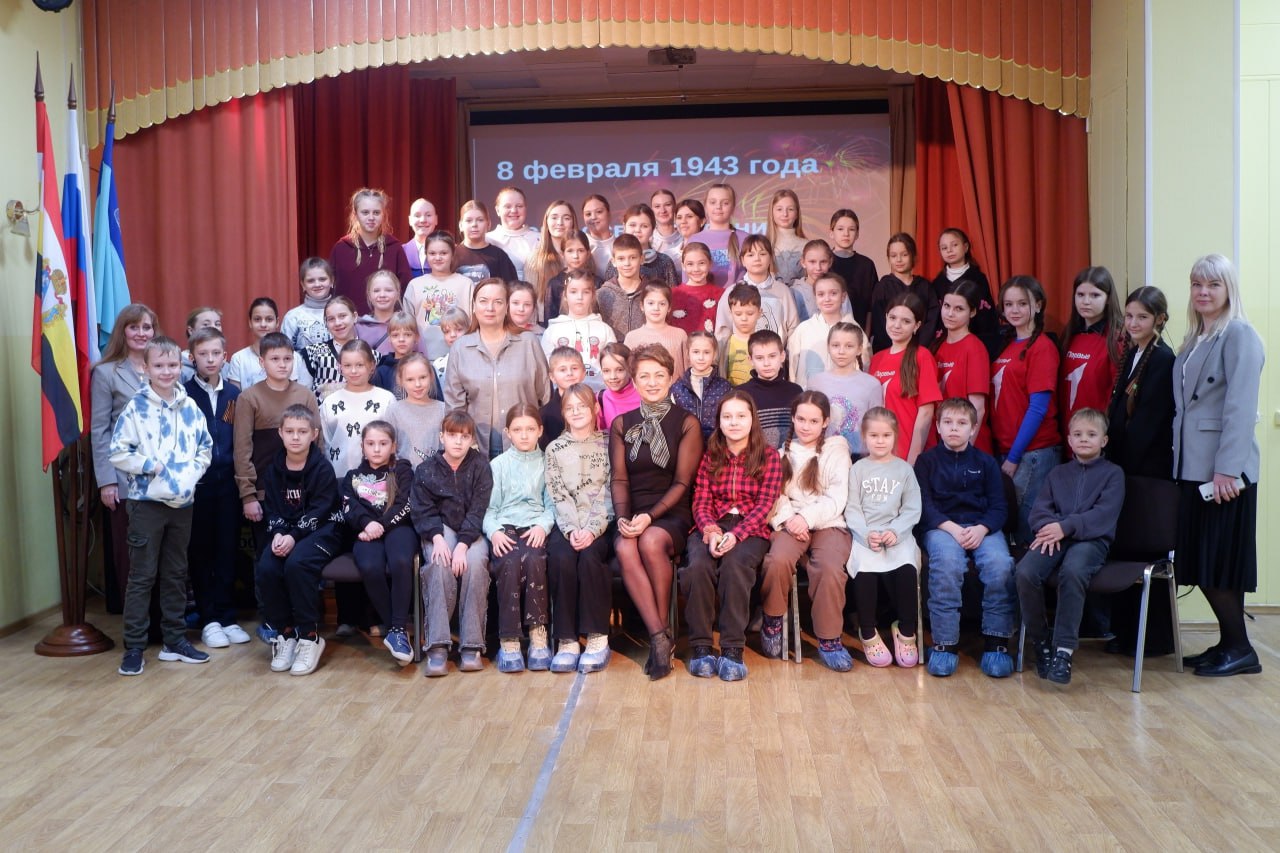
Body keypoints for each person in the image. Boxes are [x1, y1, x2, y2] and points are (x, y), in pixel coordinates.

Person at [1172, 254, 1265, 677]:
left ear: (1229, 289)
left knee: (1218, 562)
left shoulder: (1239, 334)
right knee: (1202, 561)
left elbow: (1240, 408)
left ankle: (1241, 647)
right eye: (1197, 284)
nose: (1203, 292)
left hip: (1222, 473)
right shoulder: (1196, 338)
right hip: (1192, 468)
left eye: (1213, 284)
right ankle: (1230, 643)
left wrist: (1227, 468)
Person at [111, 337, 213, 676]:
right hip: (146, 504)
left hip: (183, 504)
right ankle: (134, 647)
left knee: (176, 574)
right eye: (159, 365)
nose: (166, 371)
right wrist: (149, 466)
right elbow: (118, 452)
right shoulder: (135, 408)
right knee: (142, 576)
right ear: (146, 368)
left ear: (180, 366)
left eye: (172, 365)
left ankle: (175, 640)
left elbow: (205, 447)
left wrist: (190, 475)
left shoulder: (190, 407)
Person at [611, 344, 703, 680]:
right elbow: (619, 479)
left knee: (650, 541)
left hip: (672, 511)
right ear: (634, 381)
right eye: (644, 376)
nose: (652, 382)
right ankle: (660, 636)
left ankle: (659, 636)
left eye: (659, 375)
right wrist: (623, 518)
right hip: (634, 510)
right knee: (625, 546)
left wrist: (650, 517)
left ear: (670, 378)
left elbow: (682, 482)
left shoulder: (686, 422)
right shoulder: (622, 423)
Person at [1018, 408, 1125, 685]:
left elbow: (1103, 515)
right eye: (1077, 434)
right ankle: (1041, 643)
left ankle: (1063, 651)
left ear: (1104, 440)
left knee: (1073, 571)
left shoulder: (1113, 474)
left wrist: (1065, 526)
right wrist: (1051, 528)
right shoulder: (1057, 473)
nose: (1084, 439)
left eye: (1091, 434)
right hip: (1055, 537)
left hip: (1091, 540)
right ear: (1069, 440)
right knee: (1025, 572)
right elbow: (1040, 511)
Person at [684, 391, 783, 681]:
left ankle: (732, 649)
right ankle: (701, 647)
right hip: (712, 523)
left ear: (753, 419)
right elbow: (700, 499)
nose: (734, 422)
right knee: (697, 566)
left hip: (750, 527)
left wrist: (736, 535)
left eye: (741, 416)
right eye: (727, 417)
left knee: (735, 565)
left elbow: (764, 506)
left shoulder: (769, 456)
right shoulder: (710, 455)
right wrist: (711, 530)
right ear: (719, 421)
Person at [915, 397, 1017, 678]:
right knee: (947, 565)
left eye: (961, 423)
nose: (954, 428)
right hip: (942, 527)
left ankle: (996, 643)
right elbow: (924, 506)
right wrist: (951, 529)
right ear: (938, 426)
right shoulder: (926, 462)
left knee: (1000, 565)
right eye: (947, 422)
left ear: (973, 429)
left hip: (982, 527)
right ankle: (945, 644)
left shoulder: (986, 462)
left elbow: (999, 507)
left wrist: (982, 528)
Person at [760, 392, 854, 671]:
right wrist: (790, 519)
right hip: (791, 523)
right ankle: (773, 620)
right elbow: (775, 495)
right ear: (792, 418)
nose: (806, 426)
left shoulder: (837, 451)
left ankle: (829, 638)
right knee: (777, 560)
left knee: (829, 567)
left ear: (825, 422)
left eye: (813, 421)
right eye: (801, 419)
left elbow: (838, 496)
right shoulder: (781, 454)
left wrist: (806, 518)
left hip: (828, 522)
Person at [255, 404, 344, 676]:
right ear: (280, 433)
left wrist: (293, 537)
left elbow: (321, 511)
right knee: (267, 566)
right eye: (290, 431)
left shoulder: (322, 469)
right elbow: (272, 509)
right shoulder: (273, 470)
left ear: (314, 434)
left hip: (324, 530)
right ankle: (286, 634)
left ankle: (309, 636)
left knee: (297, 564)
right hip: (288, 533)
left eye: (302, 432)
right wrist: (278, 534)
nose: (296, 437)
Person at [411, 409, 493, 676]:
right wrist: (437, 538)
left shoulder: (481, 466)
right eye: (452, 435)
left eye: (464, 436)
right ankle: (437, 646)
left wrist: (463, 544)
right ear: (442, 437)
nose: (458, 441)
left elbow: (479, 509)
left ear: (472, 440)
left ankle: (471, 645)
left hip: (471, 530)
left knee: (475, 564)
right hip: (440, 528)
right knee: (439, 564)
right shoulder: (426, 470)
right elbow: (422, 510)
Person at [184, 327, 250, 649]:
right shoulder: (183, 394)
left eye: (215, 354)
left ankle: (227, 616)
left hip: (227, 485)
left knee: (227, 549)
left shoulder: (234, 395)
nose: (210, 359)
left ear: (225, 357)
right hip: (197, 486)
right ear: (192, 357)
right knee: (201, 551)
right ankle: (208, 618)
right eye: (203, 354)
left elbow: (239, 439)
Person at [91, 303, 159, 609]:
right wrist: (106, 481)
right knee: (131, 557)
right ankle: (136, 624)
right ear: (122, 331)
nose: (141, 333)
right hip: (125, 480)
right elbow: (100, 431)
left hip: (164, 480)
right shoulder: (106, 373)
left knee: (166, 556)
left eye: (147, 327)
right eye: (134, 327)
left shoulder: (166, 367)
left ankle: (163, 625)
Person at [233, 333, 322, 565]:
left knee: (301, 560)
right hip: (265, 494)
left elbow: (318, 445)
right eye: (275, 359)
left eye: (287, 359)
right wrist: (248, 496)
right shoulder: (249, 398)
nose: (282, 364)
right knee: (268, 559)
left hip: (303, 493)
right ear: (262, 362)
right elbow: (242, 450)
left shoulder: (305, 395)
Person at [844, 407, 921, 669]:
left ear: (895, 436)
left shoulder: (904, 470)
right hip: (866, 534)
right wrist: (866, 534)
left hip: (898, 533)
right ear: (864, 437)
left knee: (906, 568)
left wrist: (896, 531)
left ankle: (906, 630)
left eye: (886, 435)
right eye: (874, 435)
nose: (880, 441)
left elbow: (912, 508)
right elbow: (852, 508)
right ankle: (868, 631)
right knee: (865, 571)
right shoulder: (858, 469)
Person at [545, 384, 615, 673]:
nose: (576, 412)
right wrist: (572, 528)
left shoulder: (609, 443)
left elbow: (611, 489)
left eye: (582, 406)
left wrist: (592, 529)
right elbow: (557, 493)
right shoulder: (555, 449)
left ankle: (598, 636)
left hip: (601, 524)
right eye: (570, 408)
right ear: (563, 413)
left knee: (590, 558)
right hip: (568, 524)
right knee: (561, 558)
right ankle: (567, 640)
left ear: (595, 409)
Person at [443, 277, 550, 457]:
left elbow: (545, 396)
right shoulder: (460, 348)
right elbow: (455, 406)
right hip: (477, 446)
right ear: (474, 306)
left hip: (524, 444)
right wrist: (466, 445)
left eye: (498, 302)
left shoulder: (528, 342)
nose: (490, 308)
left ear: (506, 307)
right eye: (483, 301)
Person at [484, 405, 555, 673]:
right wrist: (494, 532)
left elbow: (553, 505)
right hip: (506, 526)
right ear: (508, 433)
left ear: (540, 431)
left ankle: (538, 634)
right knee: (509, 561)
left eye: (530, 429)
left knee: (536, 559)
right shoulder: (498, 465)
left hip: (535, 525)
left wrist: (543, 526)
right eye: (517, 430)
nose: (524, 435)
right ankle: (509, 639)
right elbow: (489, 509)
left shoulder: (548, 463)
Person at [990, 276, 1061, 544]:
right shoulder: (1007, 344)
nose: (1015, 310)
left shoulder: (1042, 347)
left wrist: (1014, 456)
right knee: (1010, 532)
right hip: (1008, 450)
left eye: (1022, 303)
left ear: (1038, 305)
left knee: (1025, 534)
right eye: (1008, 304)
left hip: (1032, 453)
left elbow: (1038, 408)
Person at [341, 421, 417, 664]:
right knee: (370, 566)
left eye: (383, 443)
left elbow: (405, 504)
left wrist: (380, 525)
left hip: (398, 528)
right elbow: (349, 506)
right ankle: (396, 630)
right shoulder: (352, 477)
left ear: (393, 446)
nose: (376, 449)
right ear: (362, 446)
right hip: (365, 531)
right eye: (370, 443)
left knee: (401, 561)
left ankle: (397, 628)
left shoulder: (403, 470)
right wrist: (367, 524)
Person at [1106, 286, 1175, 478]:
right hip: (1123, 460)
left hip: (1144, 466)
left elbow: (1148, 422)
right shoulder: (1133, 353)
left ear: (1159, 319)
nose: (1133, 323)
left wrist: (1123, 467)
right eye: (1129, 316)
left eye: (1142, 317)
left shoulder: (1163, 358)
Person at [868, 293, 942, 464]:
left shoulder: (922, 356)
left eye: (906, 321)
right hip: (881, 454)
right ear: (886, 317)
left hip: (910, 455)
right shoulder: (877, 359)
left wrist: (912, 460)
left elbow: (926, 412)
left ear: (917, 326)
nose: (897, 325)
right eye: (893, 318)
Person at [1059, 266, 1123, 442]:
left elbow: (1116, 397)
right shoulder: (1068, 335)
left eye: (1095, 295)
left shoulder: (1117, 339)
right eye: (1080, 295)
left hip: (1096, 437)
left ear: (1108, 299)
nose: (1086, 301)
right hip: (1067, 433)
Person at [929, 280, 993, 453]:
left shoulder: (974, 348)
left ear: (972, 312)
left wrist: (965, 451)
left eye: (959, 309)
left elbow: (978, 408)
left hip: (968, 446)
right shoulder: (937, 346)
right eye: (947, 306)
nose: (950, 313)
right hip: (943, 443)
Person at [329, 188, 413, 314]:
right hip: (348, 322)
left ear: (383, 214)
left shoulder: (394, 248)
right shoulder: (341, 248)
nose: (371, 217)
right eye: (365, 212)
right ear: (355, 215)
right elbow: (331, 289)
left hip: (386, 322)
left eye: (376, 213)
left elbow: (405, 289)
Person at [320, 340, 397, 477]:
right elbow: (326, 443)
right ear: (340, 367)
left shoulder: (386, 399)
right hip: (339, 476)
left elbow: (394, 440)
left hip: (378, 479)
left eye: (360, 365)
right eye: (347, 365)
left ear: (372, 365)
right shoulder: (330, 402)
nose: (353, 371)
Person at [807, 322, 883, 457]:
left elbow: (877, 426)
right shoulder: (815, 382)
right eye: (836, 345)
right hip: (822, 453)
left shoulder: (871, 384)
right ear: (828, 347)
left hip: (859, 456)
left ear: (859, 349)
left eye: (849, 346)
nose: (841, 351)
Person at [402, 230, 474, 360]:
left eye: (443, 253)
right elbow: (407, 325)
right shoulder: (415, 285)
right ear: (426, 254)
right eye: (432, 253)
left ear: (452, 254)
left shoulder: (466, 284)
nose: (438, 258)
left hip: (460, 357)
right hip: (423, 358)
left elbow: (473, 323)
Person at [713, 233, 799, 342]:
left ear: (771, 258)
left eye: (762, 254)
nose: (757, 259)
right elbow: (723, 331)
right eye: (751, 255)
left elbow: (793, 329)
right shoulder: (732, 291)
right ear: (742, 260)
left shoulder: (783, 291)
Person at [542, 269, 616, 392]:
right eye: (573, 292)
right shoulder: (552, 331)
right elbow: (547, 367)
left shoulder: (604, 329)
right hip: (565, 395)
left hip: (598, 393)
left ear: (593, 295)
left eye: (585, 292)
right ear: (565, 296)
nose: (580, 297)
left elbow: (612, 364)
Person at [929, 228, 1000, 357]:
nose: (949, 250)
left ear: (966, 247)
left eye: (954, 245)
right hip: (945, 344)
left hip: (975, 342)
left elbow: (986, 317)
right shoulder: (937, 283)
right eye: (944, 248)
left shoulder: (978, 279)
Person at [870, 232, 938, 352]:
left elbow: (932, 321)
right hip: (889, 350)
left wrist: (918, 348)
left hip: (919, 350)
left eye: (904, 255)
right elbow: (879, 324)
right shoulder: (882, 287)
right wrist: (896, 348)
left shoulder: (925, 286)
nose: (899, 260)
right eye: (893, 255)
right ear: (888, 258)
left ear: (913, 256)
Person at [788, 273, 859, 386]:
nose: (827, 299)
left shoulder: (855, 330)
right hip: (810, 393)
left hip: (844, 392)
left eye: (833, 293)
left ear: (843, 296)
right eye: (821, 294)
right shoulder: (804, 329)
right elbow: (792, 366)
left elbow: (863, 366)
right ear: (815, 297)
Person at [738, 330, 803, 449]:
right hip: (754, 458)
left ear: (782, 356)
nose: (766, 363)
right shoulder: (741, 394)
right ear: (750, 360)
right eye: (759, 358)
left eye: (772, 356)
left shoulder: (795, 391)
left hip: (789, 457)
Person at [228, 297, 310, 390]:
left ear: (277, 322)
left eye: (269, 319)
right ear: (250, 322)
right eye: (257, 319)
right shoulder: (239, 359)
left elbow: (300, 394)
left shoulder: (294, 358)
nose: (263, 324)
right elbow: (236, 395)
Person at [385, 353, 447, 469]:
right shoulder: (394, 411)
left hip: (438, 475)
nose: (417, 384)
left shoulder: (443, 410)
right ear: (400, 380)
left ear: (431, 376)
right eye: (410, 379)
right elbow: (389, 449)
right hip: (403, 476)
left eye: (422, 377)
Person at [301, 296, 366, 404]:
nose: (337, 323)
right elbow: (304, 395)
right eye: (331, 319)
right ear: (325, 323)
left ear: (354, 317)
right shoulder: (313, 353)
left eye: (342, 316)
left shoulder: (372, 355)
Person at [671, 331, 732, 439]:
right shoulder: (677, 388)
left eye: (706, 352)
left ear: (714, 354)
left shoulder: (724, 387)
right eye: (696, 352)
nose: (701, 357)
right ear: (688, 354)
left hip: (716, 445)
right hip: (687, 445)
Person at [602, 204, 680, 288]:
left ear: (653, 229)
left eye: (644, 226)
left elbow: (673, 293)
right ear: (624, 227)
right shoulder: (615, 263)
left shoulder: (664, 262)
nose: (637, 230)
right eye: (632, 225)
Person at [524, 199, 577, 318]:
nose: (560, 222)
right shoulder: (535, 259)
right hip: (544, 324)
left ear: (573, 222)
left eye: (566, 218)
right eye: (554, 217)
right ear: (546, 222)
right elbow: (530, 298)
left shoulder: (583, 256)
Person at [827, 208, 877, 332]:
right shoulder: (824, 263)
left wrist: (866, 335)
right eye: (840, 229)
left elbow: (871, 308)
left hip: (859, 332)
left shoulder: (866, 265)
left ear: (857, 234)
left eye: (851, 229)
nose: (846, 234)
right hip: (827, 332)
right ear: (831, 233)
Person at [624, 282, 689, 378]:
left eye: (662, 304)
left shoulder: (680, 335)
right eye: (651, 303)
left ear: (669, 308)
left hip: (676, 387)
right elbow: (627, 374)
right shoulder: (632, 337)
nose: (656, 308)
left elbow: (688, 369)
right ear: (642, 306)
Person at [373, 312, 438, 400]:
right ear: (389, 338)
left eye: (407, 335)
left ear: (417, 337)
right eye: (395, 335)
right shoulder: (381, 372)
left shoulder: (426, 368)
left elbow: (437, 400)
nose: (401, 339)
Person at [596, 234, 649, 339]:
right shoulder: (602, 294)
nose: (627, 263)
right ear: (613, 262)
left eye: (633, 258)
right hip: (613, 348)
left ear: (642, 259)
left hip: (646, 348)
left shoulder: (652, 291)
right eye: (621, 258)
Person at [454, 200, 518, 286]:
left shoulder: (499, 256)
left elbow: (512, 288)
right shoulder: (452, 255)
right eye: (468, 220)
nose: (474, 224)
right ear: (461, 225)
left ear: (488, 224)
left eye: (480, 220)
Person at [281, 258, 336, 353]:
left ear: (332, 281)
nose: (317, 284)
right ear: (303, 285)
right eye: (311, 281)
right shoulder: (293, 317)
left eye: (322, 279)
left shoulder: (343, 313)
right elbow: (284, 353)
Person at [486, 186, 541, 280]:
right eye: (508, 206)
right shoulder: (487, 239)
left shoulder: (540, 239)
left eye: (519, 206)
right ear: (498, 210)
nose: (514, 211)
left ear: (526, 209)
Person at [700, 183, 748, 287]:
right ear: (705, 206)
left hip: (738, 296)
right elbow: (687, 283)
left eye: (725, 203)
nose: (718, 207)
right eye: (713, 202)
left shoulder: (745, 239)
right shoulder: (695, 240)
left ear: (733, 207)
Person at [670, 242, 723, 337]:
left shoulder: (721, 294)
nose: (696, 269)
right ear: (683, 266)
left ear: (710, 264)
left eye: (701, 263)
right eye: (690, 264)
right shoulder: (672, 294)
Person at [545, 229, 599, 322]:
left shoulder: (597, 282)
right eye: (570, 251)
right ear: (563, 254)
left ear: (588, 253)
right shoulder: (554, 284)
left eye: (581, 251)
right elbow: (549, 319)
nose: (575, 256)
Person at [540, 347, 587, 449]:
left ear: (584, 373)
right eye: (562, 370)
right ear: (552, 377)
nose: (569, 373)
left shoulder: (594, 406)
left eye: (574, 368)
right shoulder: (545, 415)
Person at [718, 284, 763, 386]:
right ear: (731, 313)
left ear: (759, 313)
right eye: (738, 314)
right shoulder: (723, 344)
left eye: (750, 313)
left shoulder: (765, 344)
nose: (744, 318)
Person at [356, 269, 409, 356]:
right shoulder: (358, 328)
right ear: (369, 296)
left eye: (388, 290)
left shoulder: (410, 325)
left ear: (397, 294)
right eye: (376, 291)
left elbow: (421, 359)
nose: (382, 295)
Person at [766, 189, 808, 283]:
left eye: (790, 209)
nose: (785, 214)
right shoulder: (763, 244)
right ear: (772, 213)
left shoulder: (807, 245)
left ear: (797, 213)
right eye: (779, 209)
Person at [597, 342, 641, 430]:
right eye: (606, 371)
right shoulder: (600, 399)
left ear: (630, 369)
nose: (613, 377)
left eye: (620, 370)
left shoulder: (644, 395)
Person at [179, 306, 224, 383]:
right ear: (191, 330)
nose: (213, 328)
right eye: (206, 324)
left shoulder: (226, 367)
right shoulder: (179, 367)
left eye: (217, 324)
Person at [402, 197, 440, 278]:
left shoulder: (450, 251)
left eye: (428, 215)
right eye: (417, 215)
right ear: (410, 220)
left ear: (436, 219)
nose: (423, 220)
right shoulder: (401, 252)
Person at [431, 307, 468, 387]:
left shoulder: (478, 360)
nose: (452, 335)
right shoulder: (438, 365)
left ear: (468, 330)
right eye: (447, 331)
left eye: (458, 329)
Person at [581, 193, 616, 273]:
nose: (593, 217)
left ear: (609, 214)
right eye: (588, 214)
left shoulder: (621, 245)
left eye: (599, 212)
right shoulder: (580, 248)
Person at [649, 188, 683, 265]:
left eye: (667, 205)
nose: (663, 210)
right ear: (652, 210)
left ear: (675, 207)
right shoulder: (647, 240)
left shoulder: (686, 238)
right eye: (657, 206)